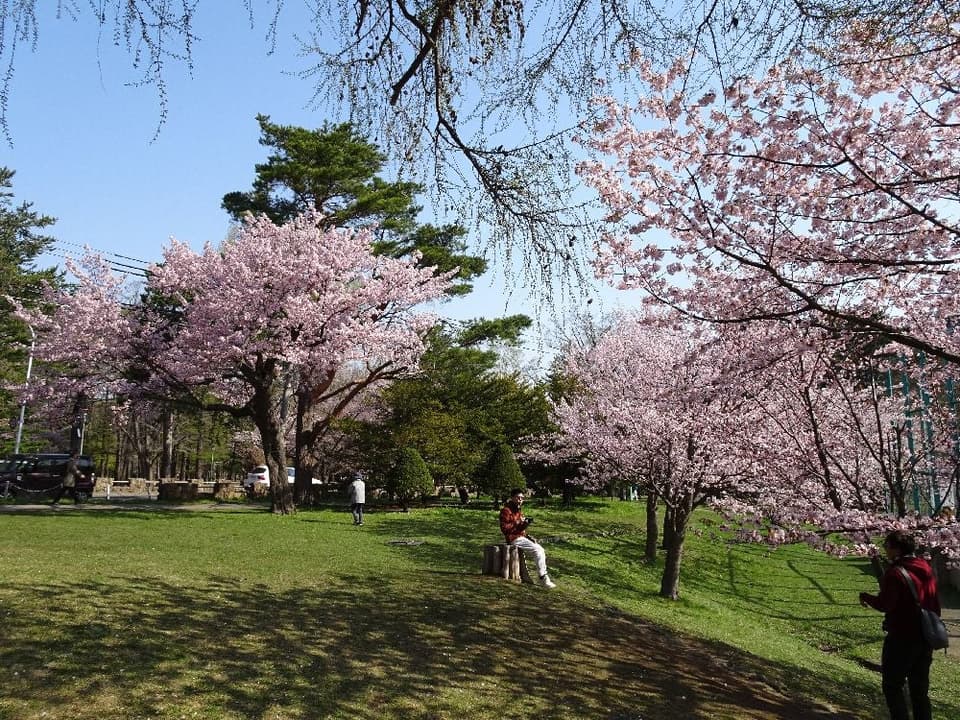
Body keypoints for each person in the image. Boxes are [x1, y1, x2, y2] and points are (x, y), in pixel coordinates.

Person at [859, 530, 942, 720]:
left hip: (902, 637)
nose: (885, 551)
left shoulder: (895, 573)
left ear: (896, 549)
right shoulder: (925, 567)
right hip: (926, 636)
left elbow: (885, 604)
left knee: (892, 685)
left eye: (887, 546)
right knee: (919, 690)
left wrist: (865, 597)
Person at [499, 488, 556, 588]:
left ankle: (543, 576)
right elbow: (504, 529)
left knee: (539, 549)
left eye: (522, 498)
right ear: (512, 498)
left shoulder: (518, 511)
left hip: (520, 537)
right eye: (518, 497)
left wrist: (526, 528)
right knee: (538, 550)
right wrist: (517, 523)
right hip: (513, 539)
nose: (520, 500)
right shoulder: (506, 511)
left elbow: (520, 529)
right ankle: (543, 577)